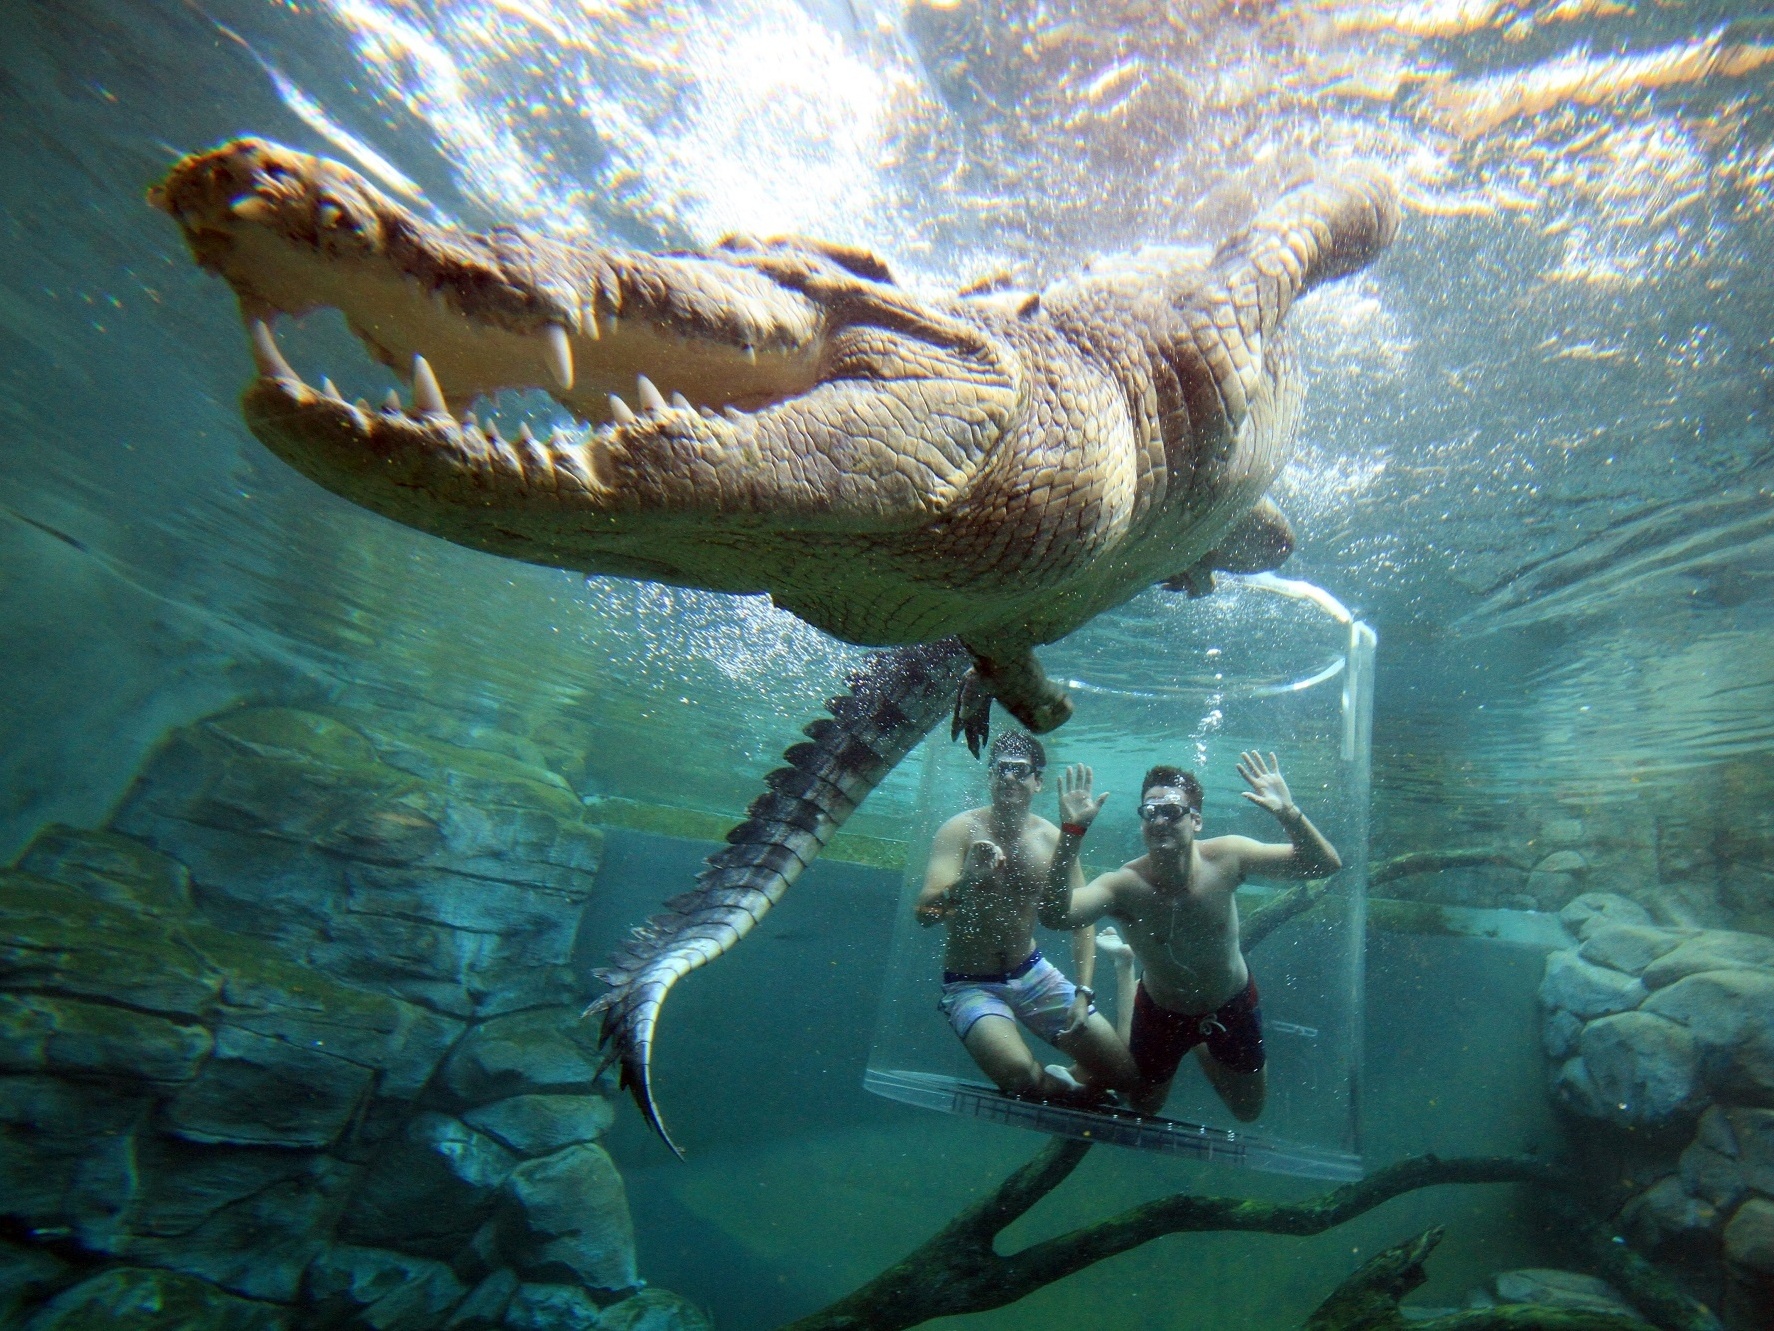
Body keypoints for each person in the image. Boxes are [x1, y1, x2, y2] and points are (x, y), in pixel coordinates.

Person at [1037, 752, 1341, 1121]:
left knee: (1248, 1112)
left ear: (1196, 820)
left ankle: (1199, 1042)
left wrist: (1288, 813)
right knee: (1144, 1105)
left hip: (1231, 1002)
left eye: (1173, 811)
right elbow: (1055, 916)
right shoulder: (1125, 886)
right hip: (1162, 1010)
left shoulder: (1228, 856)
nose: (1161, 820)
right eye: (1151, 812)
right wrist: (1071, 833)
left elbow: (1323, 865)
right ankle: (1125, 968)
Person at [916, 731, 1142, 1104]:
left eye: (1020, 771)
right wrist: (967, 882)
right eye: (1001, 769)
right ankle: (1062, 1086)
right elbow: (924, 915)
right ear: (990, 777)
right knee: (1021, 1077)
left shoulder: (1053, 838)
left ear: (1038, 782)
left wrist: (1084, 993)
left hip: (1033, 973)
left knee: (1125, 1077)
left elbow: (1081, 920)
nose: (1008, 778)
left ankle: (1068, 1082)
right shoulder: (960, 830)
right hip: (970, 982)